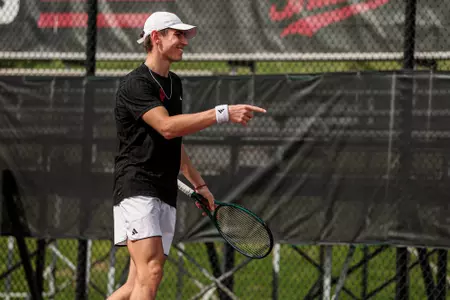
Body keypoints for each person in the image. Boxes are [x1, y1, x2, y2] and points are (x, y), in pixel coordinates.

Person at [108, 11, 267, 300]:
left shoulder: (174, 84)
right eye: (177, 34)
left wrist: (199, 184)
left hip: (164, 189)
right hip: (136, 186)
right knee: (151, 273)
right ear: (156, 38)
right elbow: (167, 128)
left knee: (136, 284)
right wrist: (223, 113)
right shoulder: (136, 84)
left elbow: (174, 141)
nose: (184, 41)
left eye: (185, 35)